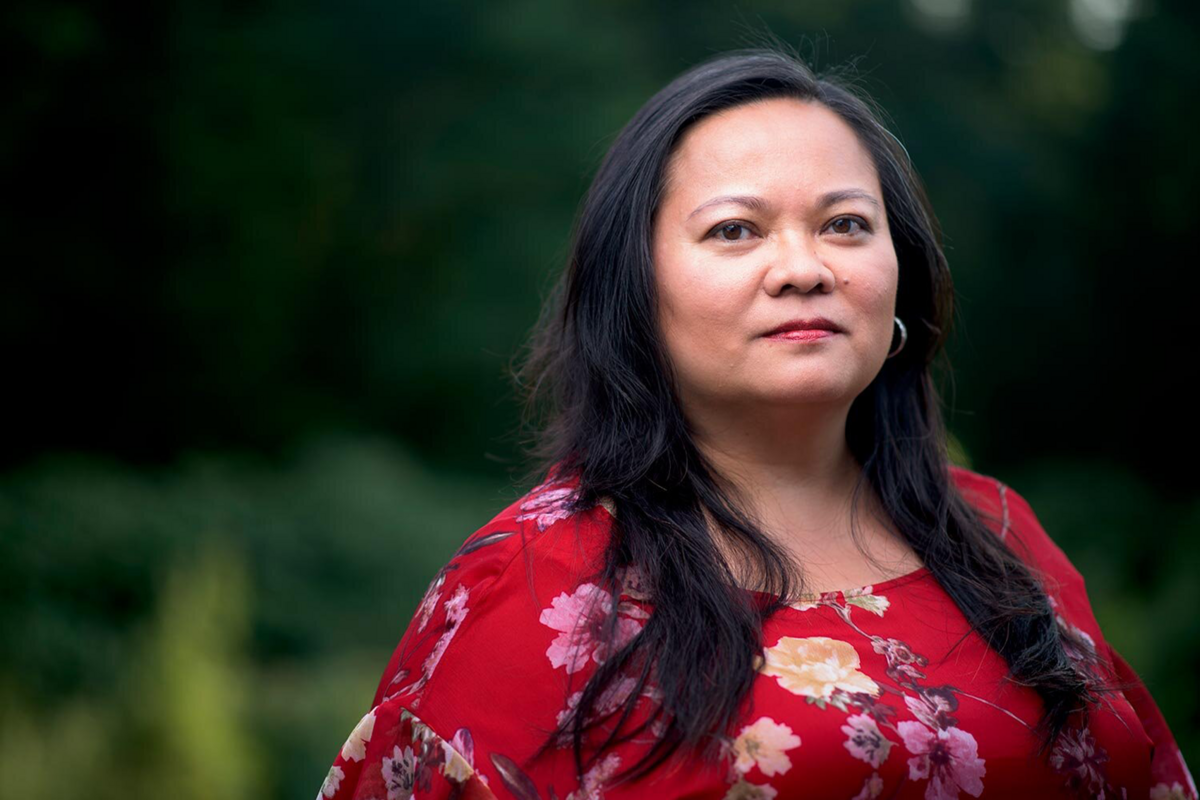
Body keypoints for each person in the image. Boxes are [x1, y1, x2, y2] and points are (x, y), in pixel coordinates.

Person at [317, 47, 1195, 800]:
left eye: (846, 225)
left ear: (902, 276)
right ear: (638, 291)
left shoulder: (1000, 536)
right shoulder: (538, 583)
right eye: (736, 231)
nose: (804, 268)